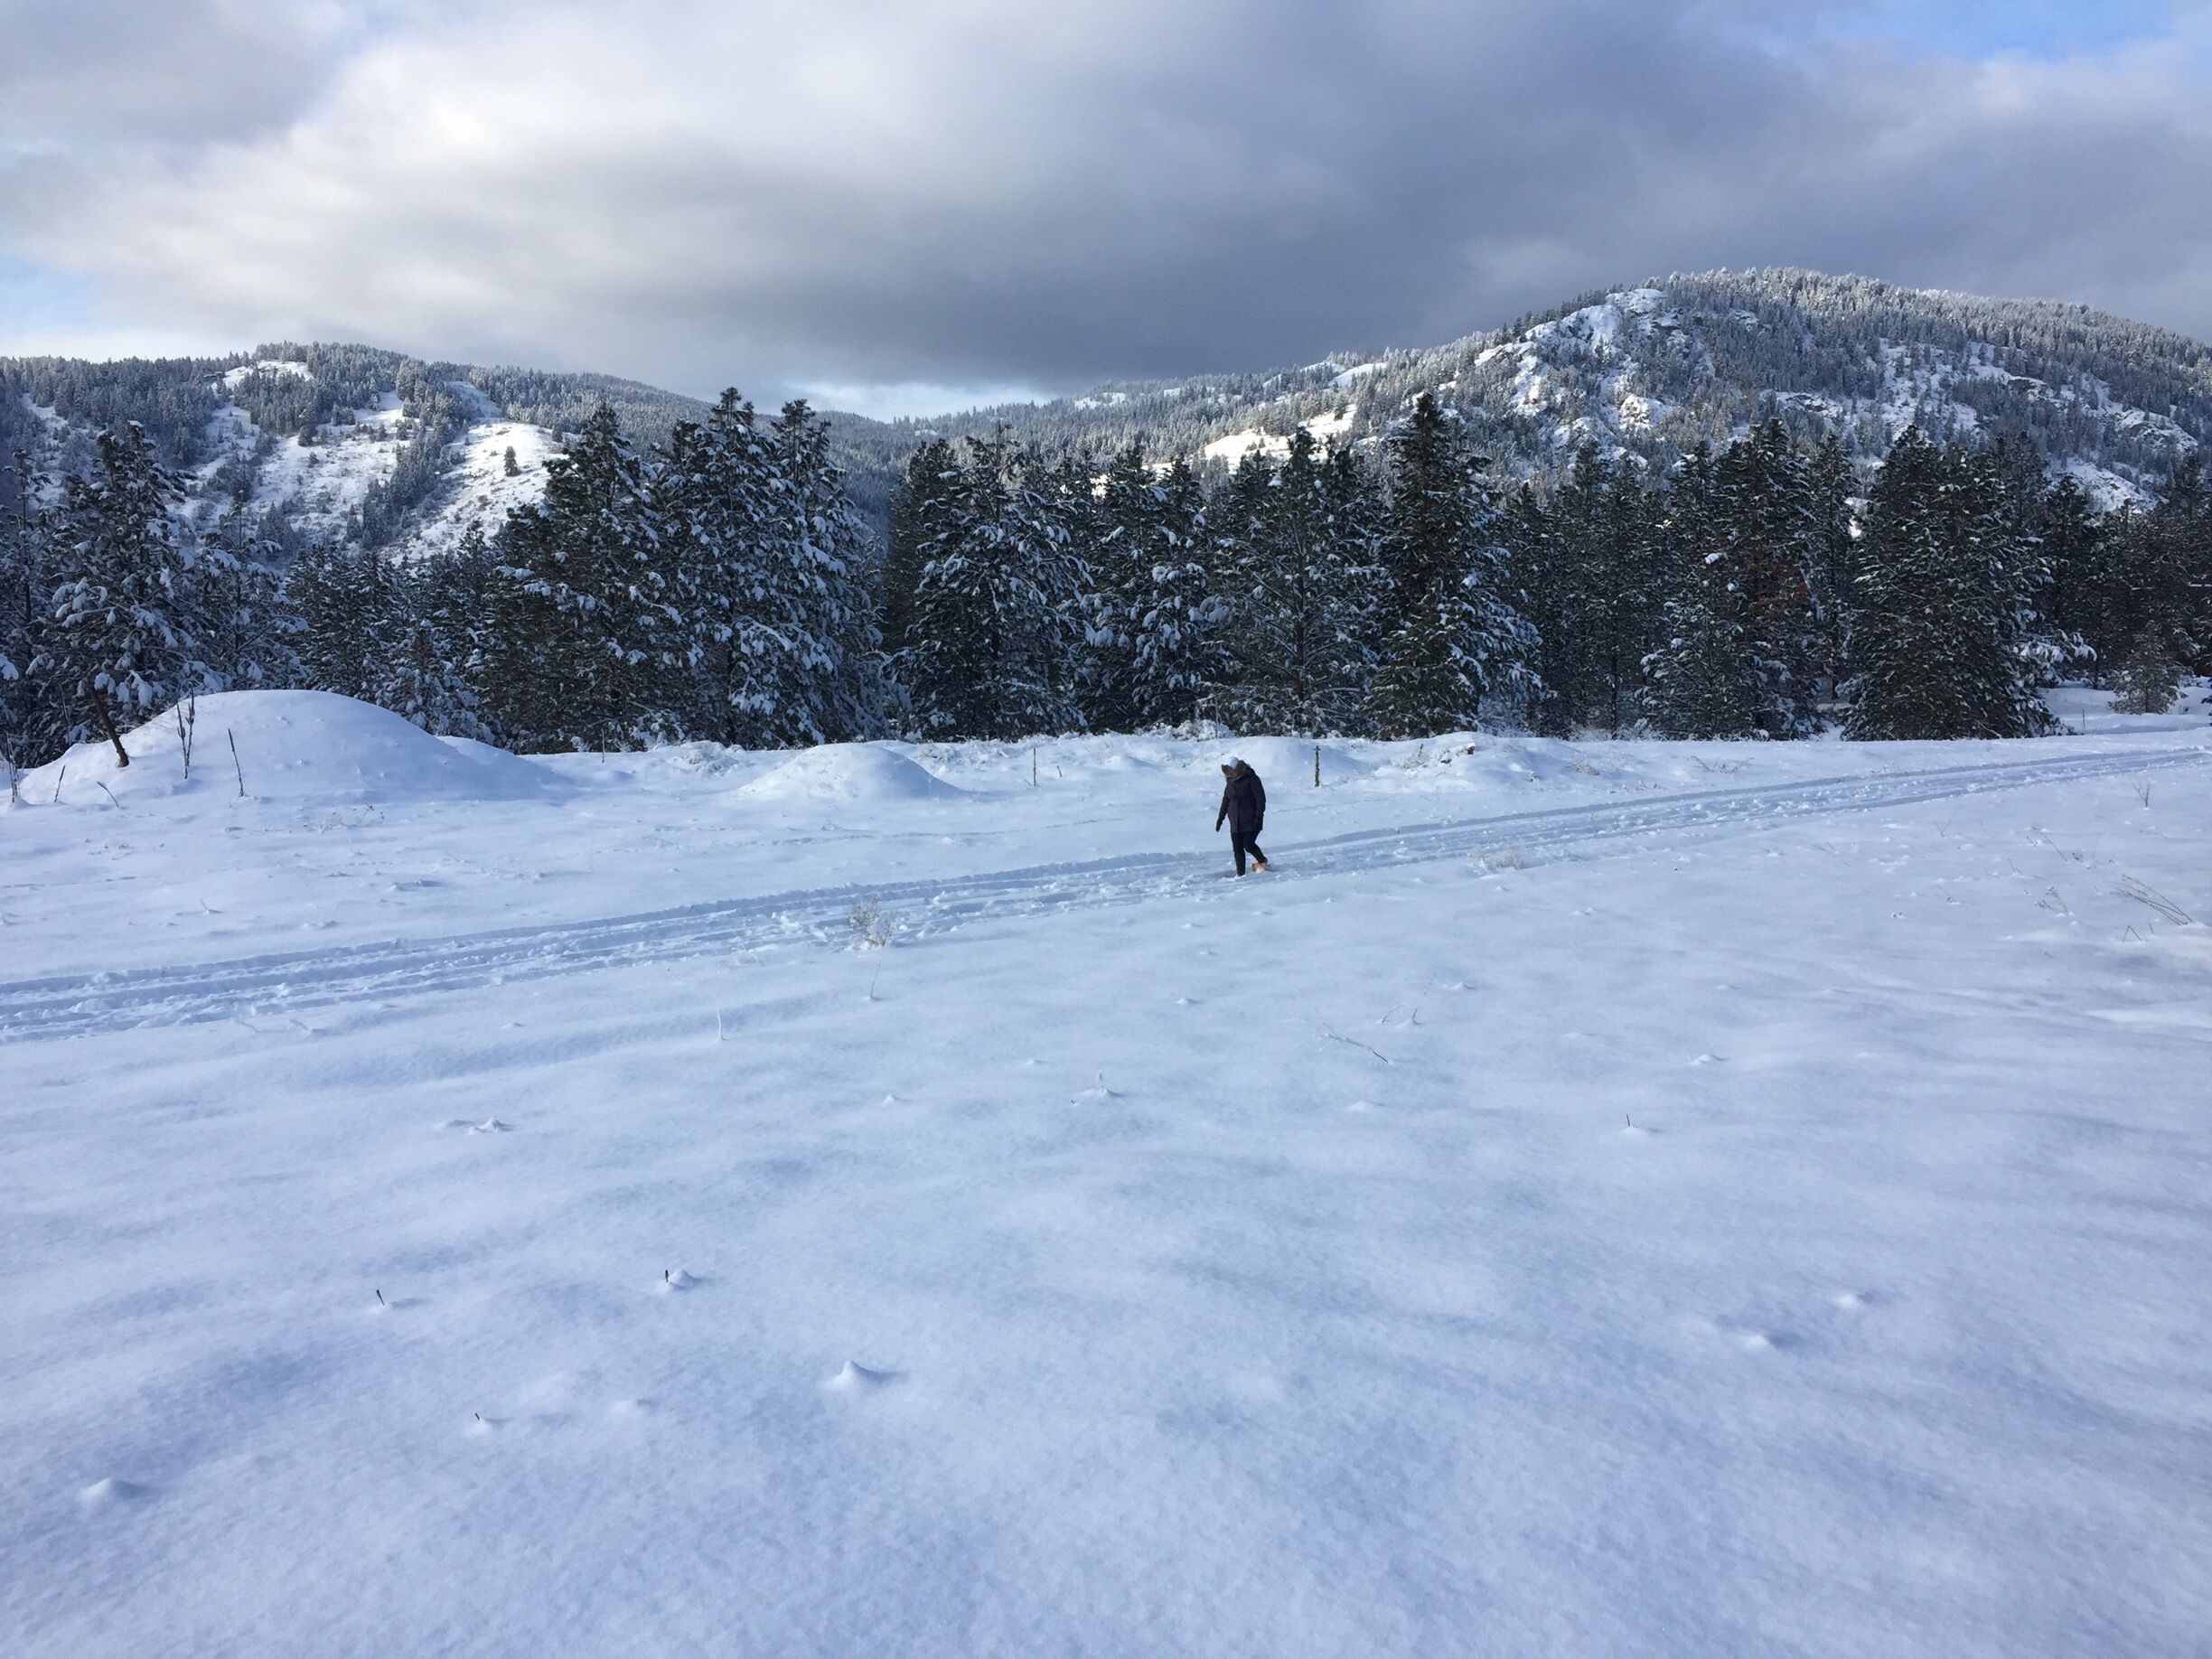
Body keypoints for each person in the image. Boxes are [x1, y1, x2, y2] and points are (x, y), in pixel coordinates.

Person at [1214, 755, 1270, 875]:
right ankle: (1241, 874)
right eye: (1227, 773)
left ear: (1238, 769)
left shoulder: (1251, 779)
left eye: (1231, 771)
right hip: (1235, 821)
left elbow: (1260, 799)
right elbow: (1226, 801)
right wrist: (1220, 819)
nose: (1229, 775)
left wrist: (1258, 816)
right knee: (1237, 849)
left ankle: (1262, 860)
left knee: (1248, 844)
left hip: (1251, 819)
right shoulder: (1229, 783)